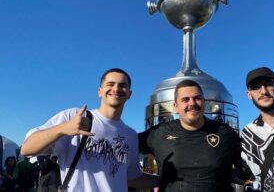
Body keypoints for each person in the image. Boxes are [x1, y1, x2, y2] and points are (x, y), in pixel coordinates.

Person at [21, 68, 158, 191]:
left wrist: (170, 179)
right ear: (100, 91)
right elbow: (27, 149)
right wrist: (62, 129)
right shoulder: (75, 116)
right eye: (110, 84)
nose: (116, 89)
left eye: (122, 86)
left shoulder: (131, 135)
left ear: (129, 94)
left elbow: (131, 178)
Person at [139, 79, 246, 192]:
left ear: (204, 102)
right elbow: (123, 145)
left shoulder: (226, 133)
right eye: (185, 100)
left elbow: (248, 170)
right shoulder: (158, 133)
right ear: (175, 106)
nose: (192, 103)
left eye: (197, 98)